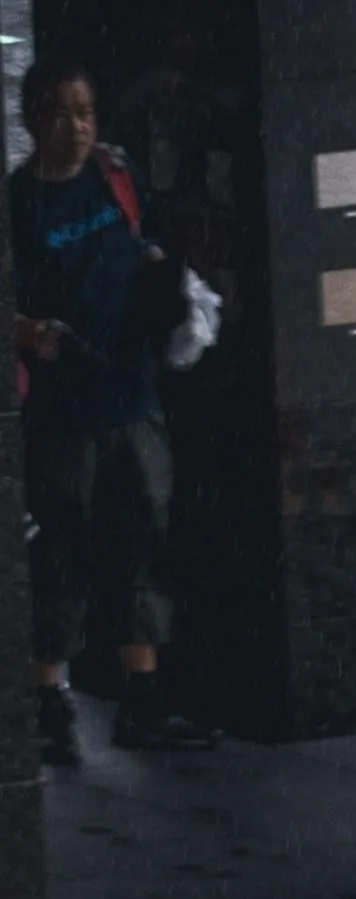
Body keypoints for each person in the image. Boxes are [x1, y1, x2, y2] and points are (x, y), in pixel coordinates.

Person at [14, 57, 176, 766]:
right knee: (61, 554)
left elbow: (143, 250)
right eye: (57, 112)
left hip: (131, 394)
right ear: (30, 121)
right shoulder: (19, 201)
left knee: (140, 540)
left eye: (83, 111)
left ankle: (143, 696)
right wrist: (29, 334)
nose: (73, 126)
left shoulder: (115, 175)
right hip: (63, 411)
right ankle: (49, 699)